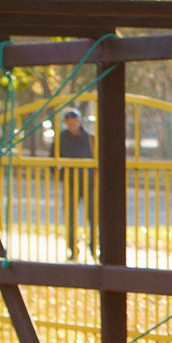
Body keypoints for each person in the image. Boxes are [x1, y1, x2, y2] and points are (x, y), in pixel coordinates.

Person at [55, 107, 95, 258]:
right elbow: (54, 158)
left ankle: (94, 247)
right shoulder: (61, 138)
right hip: (70, 182)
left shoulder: (90, 138)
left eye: (74, 122)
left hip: (89, 182)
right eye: (69, 122)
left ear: (79, 122)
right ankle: (73, 248)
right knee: (71, 217)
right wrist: (60, 175)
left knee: (93, 216)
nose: (71, 125)